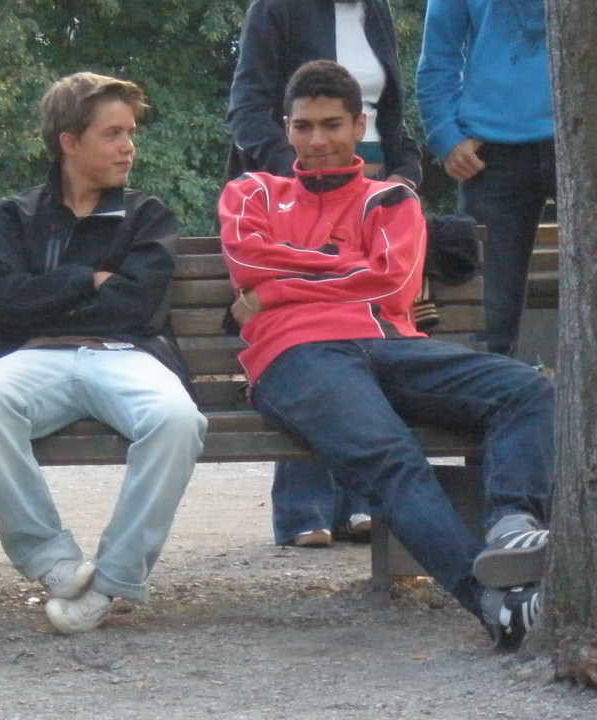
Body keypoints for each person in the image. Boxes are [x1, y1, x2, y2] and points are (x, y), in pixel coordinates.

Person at [219, 60, 553, 650]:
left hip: (388, 344)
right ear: (286, 128)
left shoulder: (393, 199)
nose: (316, 140)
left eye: (331, 125)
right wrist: (339, 268)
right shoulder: (252, 192)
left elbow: (390, 284)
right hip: (295, 356)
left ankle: (512, 527)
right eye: (303, 126)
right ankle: (495, 606)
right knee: (394, 460)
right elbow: (251, 263)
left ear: (359, 126)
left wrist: (273, 291)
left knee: (529, 389)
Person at [0, 72, 208, 635]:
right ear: (70, 141)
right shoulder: (15, 215)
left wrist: (46, 297)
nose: (128, 147)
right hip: (35, 357)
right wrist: (87, 279)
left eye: (130, 133)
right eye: (112, 134)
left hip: (127, 353)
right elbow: (5, 302)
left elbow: (135, 304)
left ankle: (111, 581)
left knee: (177, 420)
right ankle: (52, 561)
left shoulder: (148, 215)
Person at [227, 0, 423, 548]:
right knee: (308, 327)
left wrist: (406, 171)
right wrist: (304, 175)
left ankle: (360, 500)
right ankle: (304, 507)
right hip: (299, 190)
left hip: (374, 197)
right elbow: (247, 110)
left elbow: (389, 113)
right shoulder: (277, 9)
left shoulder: (376, 10)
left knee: (359, 323)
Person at [416, 0, 555, 358]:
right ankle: (493, 389)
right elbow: (438, 59)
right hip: (491, 154)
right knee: (489, 311)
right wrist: (446, 136)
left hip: (582, 137)